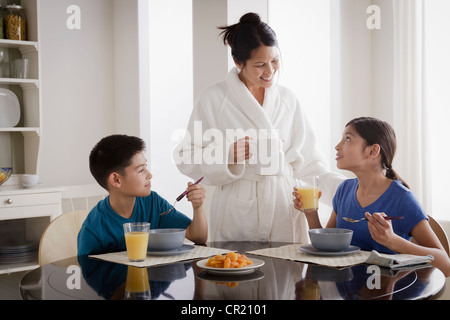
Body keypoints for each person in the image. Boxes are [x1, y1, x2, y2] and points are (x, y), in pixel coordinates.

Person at [173, 12, 344, 243]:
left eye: (274, 61)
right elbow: (185, 156)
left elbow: (310, 164)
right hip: (235, 210)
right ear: (238, 62)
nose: (270, 71)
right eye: (260, 65)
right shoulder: (213, 99)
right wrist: (226, 155)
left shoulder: (287, 100)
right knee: (235, 273)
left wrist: (351, 191)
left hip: (282, 207)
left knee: (284, 276)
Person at [293, 117, 450, 276]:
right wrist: (311, 213)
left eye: (348, 139)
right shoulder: (344, 190)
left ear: (373, 151)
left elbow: (445, 264)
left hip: (389, 291)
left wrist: (393, 241)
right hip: (348, 290)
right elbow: (326, 246)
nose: (337, 146)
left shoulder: (402, 198)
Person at [77, 134, 208, 256]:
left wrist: (198, 207)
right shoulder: (93, 229)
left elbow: (197, 236)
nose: (149, 174)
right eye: (140, 170)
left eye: (146, 166)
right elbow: (90, 275)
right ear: (116, 180)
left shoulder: (153, 202)